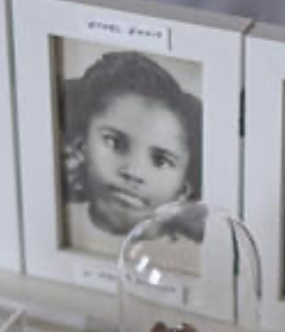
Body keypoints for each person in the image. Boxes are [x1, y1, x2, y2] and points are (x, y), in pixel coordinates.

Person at [62, 50, 203, 257]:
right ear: (81, 146)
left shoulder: (193, 254)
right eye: (113, 142)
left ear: (183, 189)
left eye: (161, 161)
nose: (133, 172)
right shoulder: (57, 220)